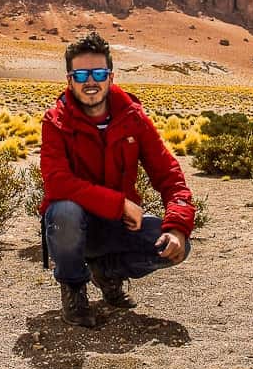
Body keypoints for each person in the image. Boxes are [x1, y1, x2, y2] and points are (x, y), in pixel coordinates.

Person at [38, 31, 195, 328]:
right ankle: (73, 288)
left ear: (110, 76)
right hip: (73, 230)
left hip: (117, 228)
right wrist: (119, 203)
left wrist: (177, 226)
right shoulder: (55, 121)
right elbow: (57, 182)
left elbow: (170, 175)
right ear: (69, 80)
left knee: (179, 247)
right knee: (64, 211)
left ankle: (107, 272)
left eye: (98, 73)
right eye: (81, 74)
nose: (90, 82)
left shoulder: (133, 118)